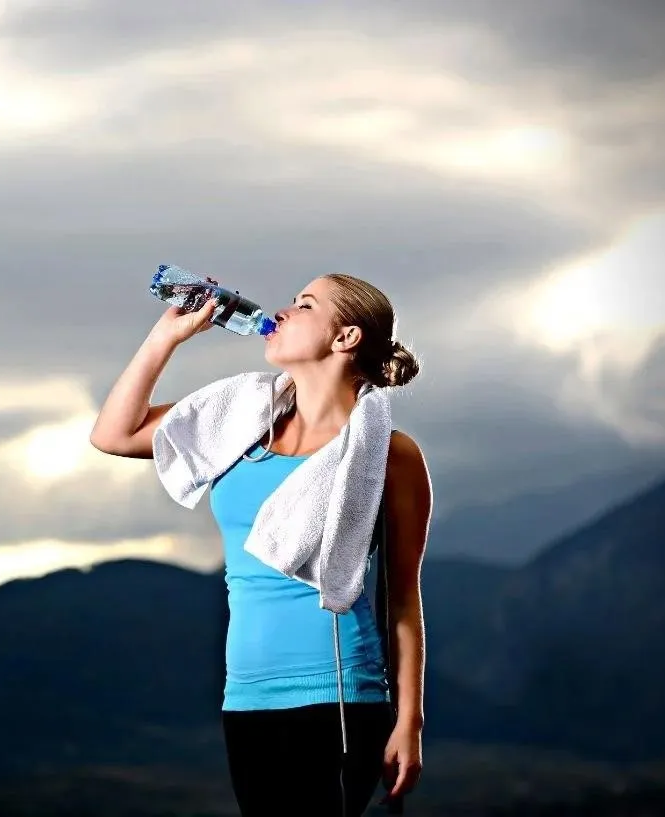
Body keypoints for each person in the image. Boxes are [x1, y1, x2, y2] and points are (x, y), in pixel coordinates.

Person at [89, 273, 431, 816]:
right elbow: (113, 434)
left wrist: (408, 720)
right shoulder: (241, 426)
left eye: (305, 305)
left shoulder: (389, 454)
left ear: (344, 338)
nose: (284, 311)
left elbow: (403, 599)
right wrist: (165, 338)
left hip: (339, 693)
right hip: (246, 695)